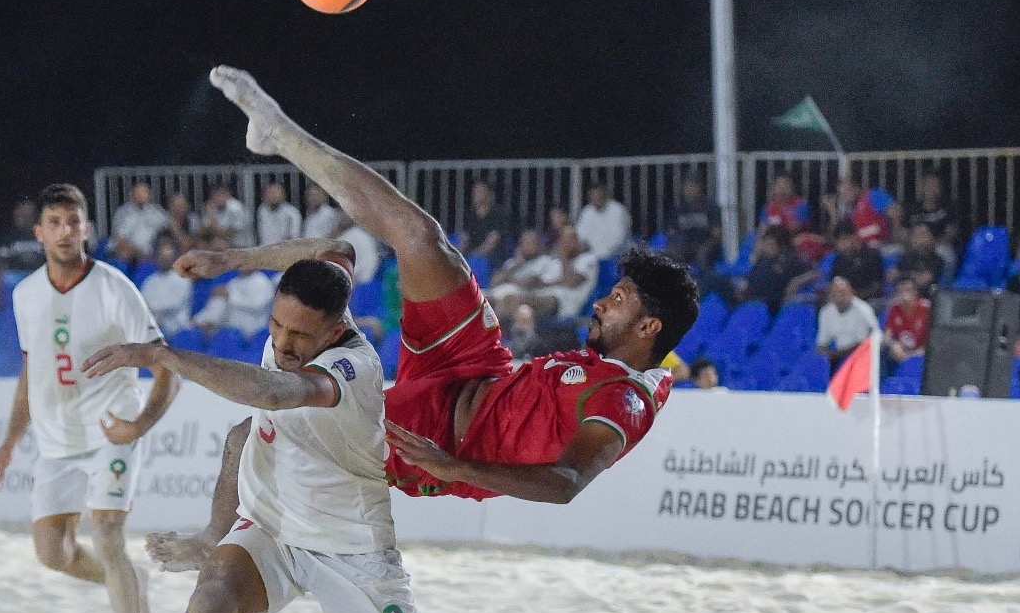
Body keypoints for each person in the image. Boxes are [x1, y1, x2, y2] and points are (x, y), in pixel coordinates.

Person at [82, 259, 531, 613]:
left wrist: (159, 355)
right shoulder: (295, 334)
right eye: (276, 324)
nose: (283, 343)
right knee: (207, 605)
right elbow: (243, 435)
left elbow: (273, 394)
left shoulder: (352, 367)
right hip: (273, 528)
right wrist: (236, 259)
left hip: (351, 546)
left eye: (299, 333)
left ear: (337, 328)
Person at [202, 66, 698, 505]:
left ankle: (214, 537)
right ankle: (281, 134)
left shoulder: (624, 401)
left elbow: (564, 483)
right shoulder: (605, 362)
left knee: (257, 433)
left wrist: (452, 467)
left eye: (618, 300)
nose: (601, 303)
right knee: (422, 239)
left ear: (649, 325)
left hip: (442, 441)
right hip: (476, 363)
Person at [0, 184, 181, 613]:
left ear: (87, 229)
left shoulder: (114, 286)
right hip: (55, 441)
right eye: (55, 223)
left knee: (107, 531)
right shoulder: (26, 294)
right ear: (39, 232)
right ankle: (133, 581)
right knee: (53, 553)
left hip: (113, 427)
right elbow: (32, 373)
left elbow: (167, 369)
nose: (65, 232)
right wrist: (9, 442)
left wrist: (139, 426)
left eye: (74, 222)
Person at [490, 226, 596, 323]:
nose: (565, 244)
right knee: (508, 301)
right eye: (563, 240)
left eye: (570, 239)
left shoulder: (587, 259)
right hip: (543, 296)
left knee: (517, 300)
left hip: (564, 303)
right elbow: (543, 283)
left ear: (577, 241)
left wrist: (563, 256)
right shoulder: (556, 262)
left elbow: (570, 282)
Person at [815, 276, 880, 368]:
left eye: (842, 292)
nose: (838, 296)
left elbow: (865, 342)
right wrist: (824, 352)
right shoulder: (826, 312)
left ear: (851, 292)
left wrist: (836, 354)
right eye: (834, 293)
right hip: (837, 356)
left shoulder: (863, 310)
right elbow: (822, 343)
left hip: (862, 355)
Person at [140, 235, 193, 336]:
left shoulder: (183, 278)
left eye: (167, 256)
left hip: (177, 328)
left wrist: (151, 306)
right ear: (156, 257)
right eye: (161, 256)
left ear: (174, 257)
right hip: (155, 327)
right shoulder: (150, 281)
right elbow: (142, 302)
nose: (164, 259)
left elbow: (174, 303)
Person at [666, 177, 721, 271]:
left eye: (693, 187)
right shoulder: (679, 209)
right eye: (687, 187)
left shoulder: (709, 207)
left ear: (699, 188)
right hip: (687, 246)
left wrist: (705, 247)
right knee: (668, 257)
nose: (689, 190)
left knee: (703, 256)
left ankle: (703, 282)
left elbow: (717, 234)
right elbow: (671, 233)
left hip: (706, 245)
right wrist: (672, 247)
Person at [110, 181, 169, 264]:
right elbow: (120, 240)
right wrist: (138, 252)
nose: (141, 195)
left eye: (144, 192)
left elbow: (168, 228)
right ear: (132, 195)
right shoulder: (123, 212)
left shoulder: (157, 212)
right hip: (127, 251)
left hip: (151, 252)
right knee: (124, 253)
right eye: (138, 192)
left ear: (150, 195)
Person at [883, 277, 930, 373]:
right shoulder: (894, 309)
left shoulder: (927, 308)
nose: (904, 295)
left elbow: (935, 336)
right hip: (902, 351)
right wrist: (894, 345)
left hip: (923, 351)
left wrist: (918, 352)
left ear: (915, 292)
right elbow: (887, 335)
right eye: (900, 291)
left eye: (908, 290)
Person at [459, 180, 513, 263]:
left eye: (480, 191)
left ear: (488, 194)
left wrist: (474, 256)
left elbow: (492, 242)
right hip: (472, 252)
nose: (477, 194)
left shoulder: (498, 214)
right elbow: (464, 239)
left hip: (492, 255)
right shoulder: (470, 215)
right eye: (475, 191)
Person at [830, 223, 885, 303]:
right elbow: (835, 282)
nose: (841, 246)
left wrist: (855, 297)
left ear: (854, 237)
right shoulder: (839, 260)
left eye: (844, 240)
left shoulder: (872, 255)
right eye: (838, 243)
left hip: (871, 301)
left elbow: (877, 285)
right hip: (846, 302)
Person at [576, 182, 632, 260]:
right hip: (592, 257)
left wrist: (601, 255)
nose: (596, 198)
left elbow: (619, 239)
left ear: (605, 195)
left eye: (598, 195)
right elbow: (580, 235)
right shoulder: (587, 212)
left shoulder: (617, 210)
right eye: (593, 195)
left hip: (618, 256)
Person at [893, 221, 947, 296]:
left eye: (923, 235)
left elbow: (923, 280)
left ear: (933, 238)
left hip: (928, 298)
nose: (919, 240)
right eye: (916, 235)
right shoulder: (906, 257)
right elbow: (892, 276)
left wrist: (905, 276)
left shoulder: (937, 260)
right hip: (903, 297)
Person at [0, 199, 46, 271]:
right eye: (18, 217)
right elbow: (1, 255)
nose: (20, 220)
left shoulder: (45, 235)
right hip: (16, 275)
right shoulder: (10, 238)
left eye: (25, 216)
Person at [256, 180, 303, 246]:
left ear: (283, 195)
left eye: (276, 192)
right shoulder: (262, 210)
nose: (273, 196)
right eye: (270, 192)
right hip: (264, 249)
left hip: (284, 251)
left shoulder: (292, 212)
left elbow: (293, 235)